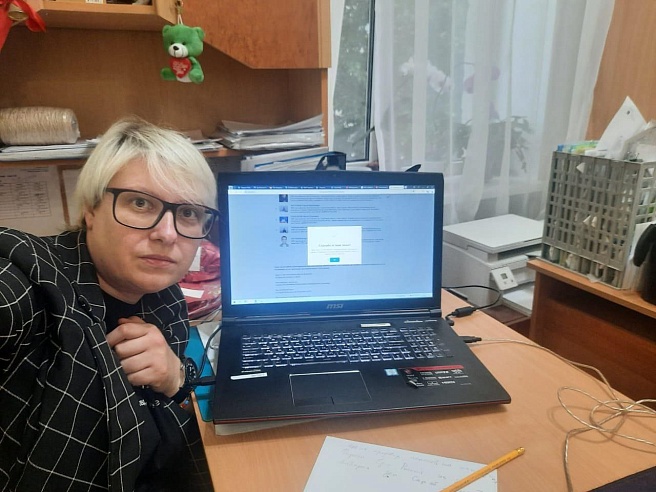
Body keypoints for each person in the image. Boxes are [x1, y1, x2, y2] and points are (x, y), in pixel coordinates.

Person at [0, 117, 217, 491]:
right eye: (140, 203)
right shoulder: (29, 280)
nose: (167, 234)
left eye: (188, 213)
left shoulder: (165, 299)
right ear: (91, 208)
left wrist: (176, 377)